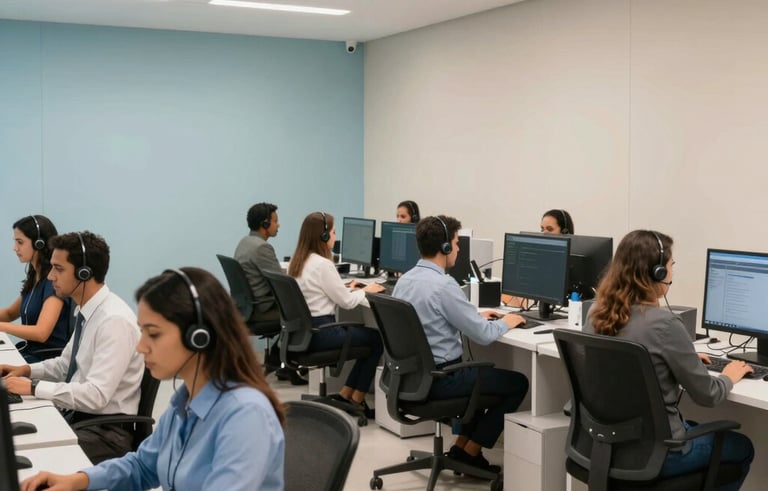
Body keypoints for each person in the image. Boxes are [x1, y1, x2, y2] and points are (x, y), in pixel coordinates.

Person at [20, 267, 286, 491]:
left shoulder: (245, 415)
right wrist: (77, 480)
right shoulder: (184, 402)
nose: (140, 346)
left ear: (198, 336)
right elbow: (142, 466)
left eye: (154, 334)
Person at [586, 230, 753, 488]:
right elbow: (707, 395)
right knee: (741, 446)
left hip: (607, 446)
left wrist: (680, 356)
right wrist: (728, 377)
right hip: (659, 454)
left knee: (694, 425)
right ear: (658, 273)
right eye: (671, 265)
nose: (673, 271)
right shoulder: (665, 325)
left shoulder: (596, 313)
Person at [393, 215, 529, 473]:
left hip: (410, 380)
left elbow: (432, 317)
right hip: (441, 381)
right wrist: (507, 321)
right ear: (444, 247)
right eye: (456, 243)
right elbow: (485, 336)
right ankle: (473, 449)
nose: (457, 249)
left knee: (475, 374)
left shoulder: (405, 280)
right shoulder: (444, 285)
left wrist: (474, 317)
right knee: (517, 383)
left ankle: (461, 449)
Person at [1, 231, 144, 464]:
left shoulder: (114, 321)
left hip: (105, 435)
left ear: (84, 273)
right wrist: (26, 371)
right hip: (80, 417)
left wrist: (33, 387)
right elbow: (64, 365)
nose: (49, 276)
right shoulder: (88, 311)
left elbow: (97, 395)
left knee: (19, 460)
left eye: (58, 268)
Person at [288, 211, 385, 417]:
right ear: (322, 237)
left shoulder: (299, 261)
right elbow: (347, 303)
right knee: (376, 339)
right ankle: (357, 399)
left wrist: (347, 286)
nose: (334, 236)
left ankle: (346, 393)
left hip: (306, 334)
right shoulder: (323, 265)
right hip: (323, 333)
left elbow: (326, 291)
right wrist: (366, 290)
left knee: (368, 340)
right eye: (332, 232)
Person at [235, 202, 306, 385]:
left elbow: (272, 274)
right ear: (265, 224)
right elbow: (280, 283)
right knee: (302, 316)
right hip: (261, 309)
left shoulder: (245, 242)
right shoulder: (262, 248)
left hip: (246, 306)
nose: (279, 224)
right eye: (275, 221)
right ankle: (286, 365)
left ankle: (277, 361)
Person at [0, 215, 71, 362]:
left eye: (20, 242)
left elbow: (41, 332)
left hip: (47, 361)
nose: (15, 248)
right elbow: (9, 313)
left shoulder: (53, 281)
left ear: (39, 244)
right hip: (31, 355)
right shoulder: (35, 278)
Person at [502, 208, 576, 308]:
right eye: (542, 229)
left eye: (549, 229)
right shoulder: (537, 260)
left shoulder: (565, 266)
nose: (544, 233)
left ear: (565, 232)